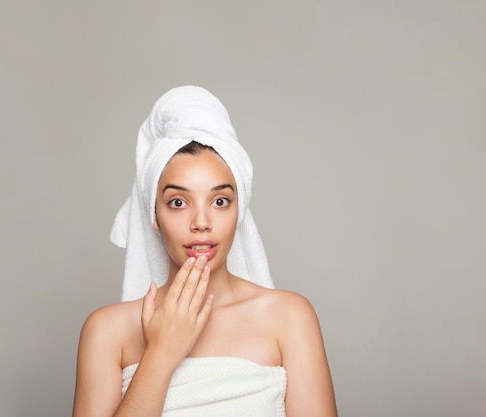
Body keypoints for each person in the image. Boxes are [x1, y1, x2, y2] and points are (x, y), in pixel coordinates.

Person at [72, 86, 337, 417]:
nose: (201, 222)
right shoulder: (108, 331)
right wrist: (161, 354)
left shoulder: (289, 317)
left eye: (220, 201)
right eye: (179, 202)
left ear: (239, 211)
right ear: (155, 215)